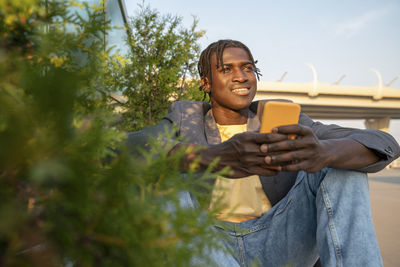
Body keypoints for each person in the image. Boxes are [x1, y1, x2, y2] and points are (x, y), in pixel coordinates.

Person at [128, 39, 400, 267]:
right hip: (210, 247)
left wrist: (323, 153)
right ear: (206, 83)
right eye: (226, 69)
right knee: (166, 174)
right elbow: (117, 150)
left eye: (248, 68)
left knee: (342, 166)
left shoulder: (285, 117)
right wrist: (213, 158)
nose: (241, 76)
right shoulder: (185, 118)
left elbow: (381, 140)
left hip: (281, 240)